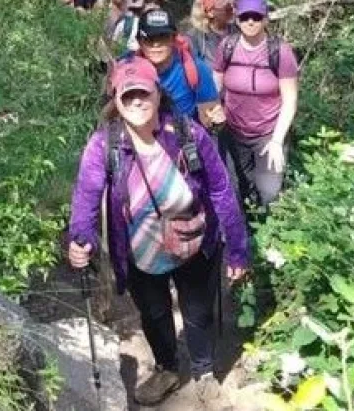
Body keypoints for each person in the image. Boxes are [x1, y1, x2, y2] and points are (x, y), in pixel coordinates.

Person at [68, 57, 250, 407]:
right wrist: (81, 238)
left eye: (143, 94)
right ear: (117, 102)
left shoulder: (187, 134)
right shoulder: (105, 145)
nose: (137, 101)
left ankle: (204, 373)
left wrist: (238, 248)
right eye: (128, 95)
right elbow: (86, 196)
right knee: (153, 314)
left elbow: (221, 190)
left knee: (198, 313)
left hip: (195, 240)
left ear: (157, 95)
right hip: (139, 249)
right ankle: (167, 367)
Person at [212, 0, 299, 209]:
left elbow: (290, 99)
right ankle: (246, 234)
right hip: (234, 132)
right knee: (240, 186)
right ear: (237, 19)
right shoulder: (227, 47)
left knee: (269, 192)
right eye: (245, 17)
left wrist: (278, 141)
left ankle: (269, 230)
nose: (250, 22)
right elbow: (214, 87)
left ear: (266, 19)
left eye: (256, 17)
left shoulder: (280, 52)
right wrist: (214, 111)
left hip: (268, 133)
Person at [135, 8, 224, 127]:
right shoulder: (127, 69)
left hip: (183, 141)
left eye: (162, 37)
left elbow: (211, 110)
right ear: (139, 41)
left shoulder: (195, 68)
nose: (156, 44)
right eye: (149, 39)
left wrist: (214, 117)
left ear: (173, 39)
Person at [185, 0, 236, 67]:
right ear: (210, 12)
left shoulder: (239, 33)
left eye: (234, 5)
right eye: (228, 8)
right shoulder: (194, 38)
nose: (234, 11)